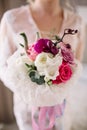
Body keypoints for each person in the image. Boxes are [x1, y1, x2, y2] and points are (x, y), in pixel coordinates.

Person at [0, 0, 86, 130]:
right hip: (27, 108)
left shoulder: (77, 22)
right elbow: (3, 68)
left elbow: (77, 66)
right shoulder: (12, 18)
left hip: (62, 108)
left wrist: (55, 94)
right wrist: (36, 95)